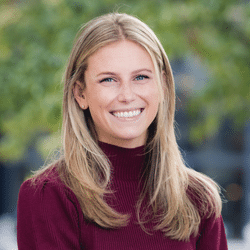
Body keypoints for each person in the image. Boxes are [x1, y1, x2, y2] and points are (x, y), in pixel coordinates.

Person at [17, 13, 228, 249]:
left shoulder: (199, 199)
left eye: (140, 77)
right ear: (80, 93)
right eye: (108, 80)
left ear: (164, 86)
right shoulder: (50, 196)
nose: (127, 96)